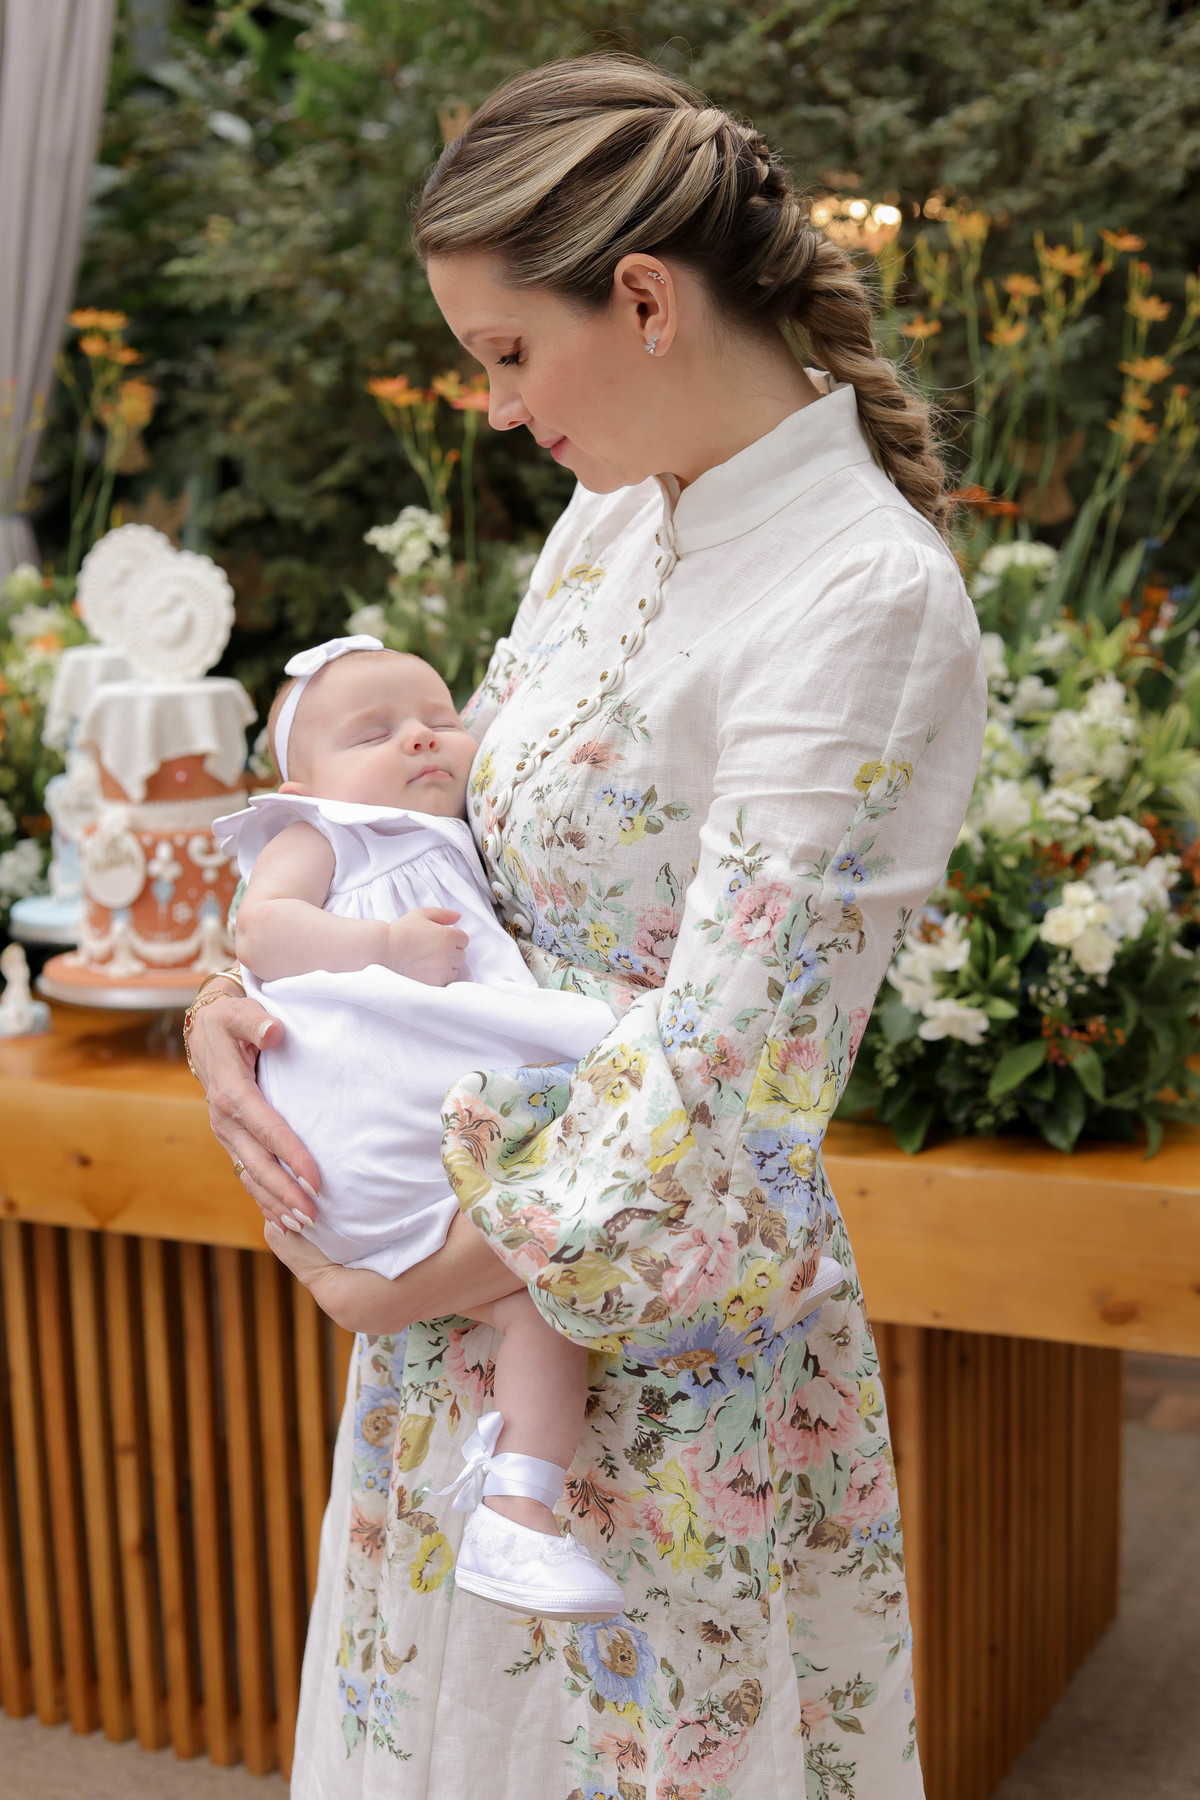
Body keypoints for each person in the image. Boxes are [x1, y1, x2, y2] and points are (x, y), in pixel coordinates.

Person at [186, 54, 985, 1800]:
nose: (490, 407)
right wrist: (235, 987)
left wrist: (385, 1275)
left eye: (503, 354)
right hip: (464, 1333)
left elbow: (727, 1092)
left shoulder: (866, 600)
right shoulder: (613, 512)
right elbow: (441, 836)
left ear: (640, 298)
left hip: (660, 1360)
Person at [218, 633, 635, 1620]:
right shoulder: (324, 834)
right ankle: (727, 1247)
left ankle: (518, 1507)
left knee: (542, 1313)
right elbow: (261, 931)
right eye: (374, 732)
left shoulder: (443, 843)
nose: (419, 739)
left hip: (433, 1164)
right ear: (303, 779)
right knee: (622, 1082)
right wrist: (384, 946)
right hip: (367, 1136)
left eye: (440, 721)